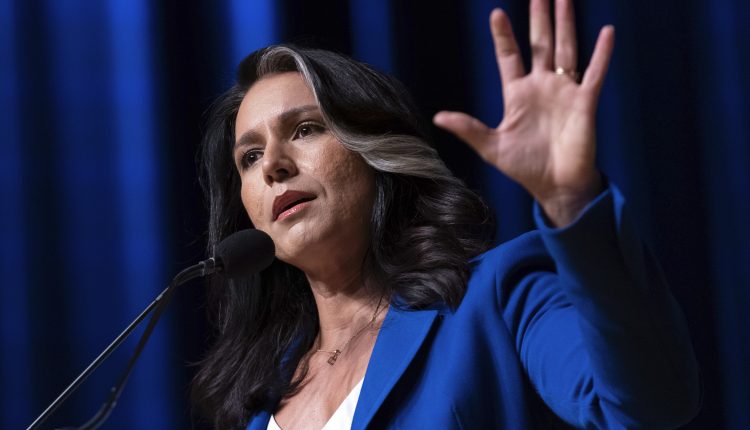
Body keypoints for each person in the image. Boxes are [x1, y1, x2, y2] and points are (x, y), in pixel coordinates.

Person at [193, 1, 701, 429]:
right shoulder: (256, 399)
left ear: (375, 152)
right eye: (250, 157)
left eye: (305, 129)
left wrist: (571, 201)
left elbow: (646, 407)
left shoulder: (497, 299)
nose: (273, 166)